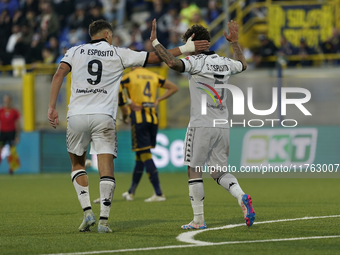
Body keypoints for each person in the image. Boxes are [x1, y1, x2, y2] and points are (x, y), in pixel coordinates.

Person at [47, 19, 209, 233]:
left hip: (77, 115)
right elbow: (154, 57)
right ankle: (104, 221)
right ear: (107, 35)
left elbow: (59, 74)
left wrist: (51, 107)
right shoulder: (118, 53)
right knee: (106, 168)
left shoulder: (74, 51)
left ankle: (87, 212)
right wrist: (186, 48)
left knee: (78, 164)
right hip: (104, 116)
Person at [149, 19, 255, 229]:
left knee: (194, 169)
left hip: (201, 124)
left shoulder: (196, 62)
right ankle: (241, 195)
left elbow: (172, 62)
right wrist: (234, 43)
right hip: (222, 125)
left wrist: (155, 43)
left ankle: (198, 220)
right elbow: (243, 65)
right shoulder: (225, 62)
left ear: (192, 42)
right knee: (217, 171)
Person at [121, 67, 178, 202]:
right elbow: (174, 87)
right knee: (140, 155)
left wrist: (129, 102)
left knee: (145, 154)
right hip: (153, 118)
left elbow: (114, 88)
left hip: (139, 118)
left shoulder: (130, 76)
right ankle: (131, 192)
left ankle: (158, 193)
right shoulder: (153, 75)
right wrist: (158, 99)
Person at [0, 95, 21, 174]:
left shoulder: (14, 112)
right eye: (5, 101)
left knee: (12, 151)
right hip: (3, 133)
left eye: (8, 101)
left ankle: (12, 168)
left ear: (11, 101)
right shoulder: (1, 111)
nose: (7, 102)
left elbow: (17, 124)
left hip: (11, 133)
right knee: (1, 150)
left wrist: (17, 135)